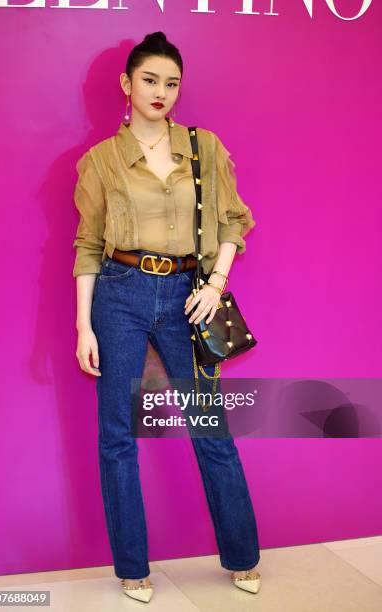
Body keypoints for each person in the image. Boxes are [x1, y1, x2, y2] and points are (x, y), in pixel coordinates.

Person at [72, 31, 261, 604]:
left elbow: (234, 221)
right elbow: (86, 245)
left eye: (172, 83)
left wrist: (216, 282)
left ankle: (242, 557)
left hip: (187, 295)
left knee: (211, 428)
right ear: (126, 85)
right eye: (150, 80)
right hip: (119, 294)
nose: (161, 92)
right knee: (116, 438)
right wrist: (84, 324)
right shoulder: (100, 160)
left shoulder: (205, 147)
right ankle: (133, 567)